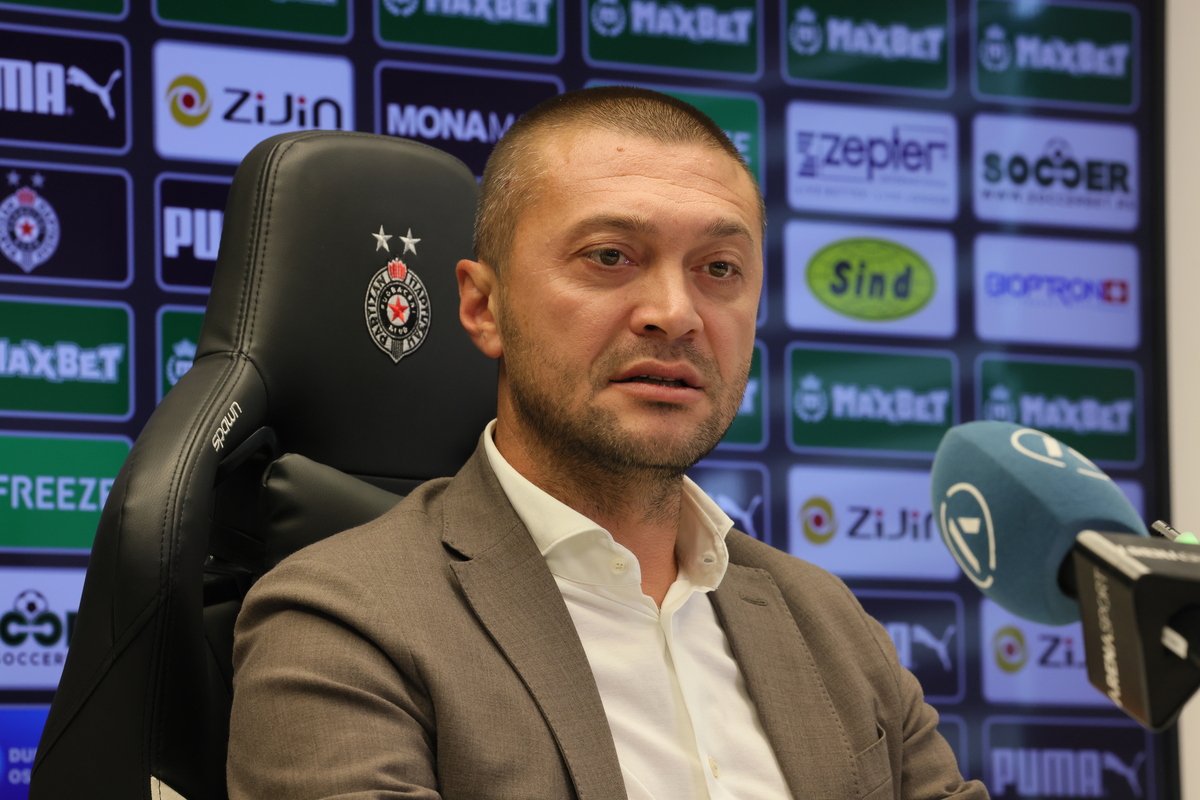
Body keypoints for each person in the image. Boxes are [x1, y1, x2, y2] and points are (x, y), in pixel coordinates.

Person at [226, 86, 988, 800]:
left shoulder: (829, 623)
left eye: (719, 269)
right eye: (610, 256)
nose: (675, 313)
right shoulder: (341, 621)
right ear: (483, 306)